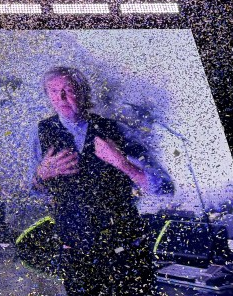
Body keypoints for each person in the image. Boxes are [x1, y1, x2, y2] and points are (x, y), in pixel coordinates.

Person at [27, 66, 171, 296]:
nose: (60, 98)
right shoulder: (40, 133)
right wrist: (41, 176)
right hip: (77, 256)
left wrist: (123, 163)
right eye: (53, 91)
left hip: (125, 252)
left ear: (83, 93)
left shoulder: (116, 130)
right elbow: (34, 190)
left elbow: (164, 187)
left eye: (67, 90)